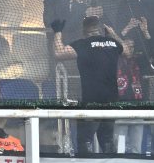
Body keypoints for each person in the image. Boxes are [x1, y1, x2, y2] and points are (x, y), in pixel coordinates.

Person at [51, 16, 124, 154]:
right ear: (100, 29)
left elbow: (58, 53)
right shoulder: (113, 43)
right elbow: (127, 51)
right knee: (107, 139)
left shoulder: (83, 44)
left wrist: (57, 32)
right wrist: (113, 34)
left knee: (85, 139)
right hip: (111, 99)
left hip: (91, 99)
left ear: (84, 31)